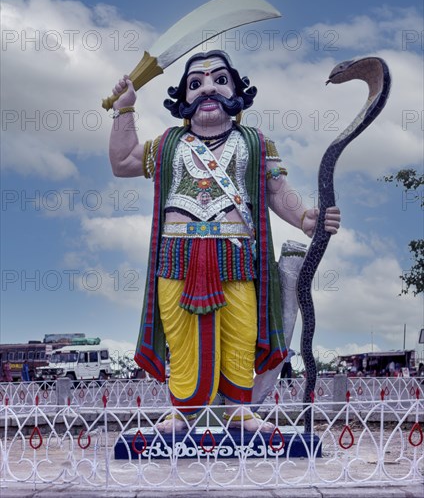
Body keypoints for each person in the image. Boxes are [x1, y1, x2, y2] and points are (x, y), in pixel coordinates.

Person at [109, 50, 341, 432]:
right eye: (195, 84)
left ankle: (238, 409)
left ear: (237, 91)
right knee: (180, 333)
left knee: (241, 327)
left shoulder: (255, 142)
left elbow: (277, 190)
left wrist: (305, 218)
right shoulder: (168, 143)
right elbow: (123, 163)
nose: (208, 89)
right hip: (178, 253)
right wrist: (124, 110)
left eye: (220, 80)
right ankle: (183, 411)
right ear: (183, 99)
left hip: (236, 253)